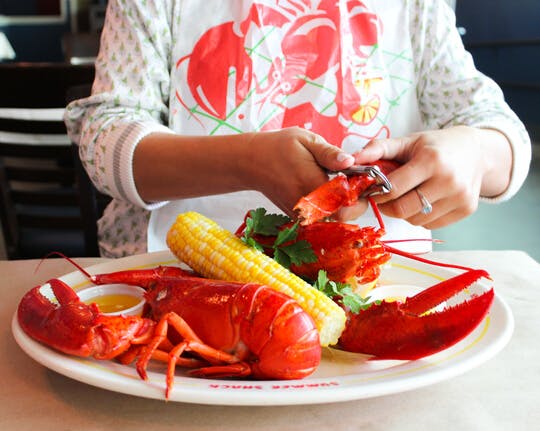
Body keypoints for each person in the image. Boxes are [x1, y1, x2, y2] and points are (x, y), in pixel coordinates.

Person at [65, 0, 531, 258]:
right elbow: (104, 136)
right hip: (177, 271)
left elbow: (500, 131)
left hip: (380, 281)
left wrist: (475, 153)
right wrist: (246, 161)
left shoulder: (415, 7)